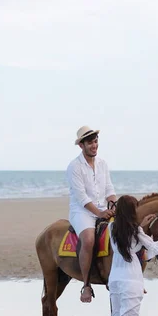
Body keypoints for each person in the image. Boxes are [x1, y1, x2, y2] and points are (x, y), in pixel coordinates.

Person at [66, 126, 117, 303]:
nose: (94, 146)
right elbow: (81, 197)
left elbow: (109, 188)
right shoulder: (74, 166)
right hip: (82, 212)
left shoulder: (103, 164)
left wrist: (113, 203)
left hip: (103, 208)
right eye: (90, 143)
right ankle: (86, 285)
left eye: (96, 142)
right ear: (81, 145)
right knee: (88, 239)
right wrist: (100, 213)